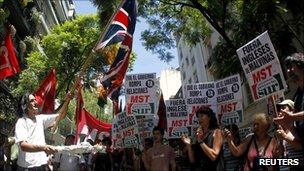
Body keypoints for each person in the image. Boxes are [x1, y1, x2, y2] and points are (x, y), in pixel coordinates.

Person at [14, 92, 72, 170]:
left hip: (43, 165)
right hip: (27, 167)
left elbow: (61, 116)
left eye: (35, 100)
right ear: (25, 105)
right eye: (32, 101)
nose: (36, 102)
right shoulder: (21, 122)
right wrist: (44, 147)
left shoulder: (40, 119)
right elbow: (23, 146)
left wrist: (67, 100)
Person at [274, 53, 304, 148]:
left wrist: (292, 116)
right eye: (287, 68)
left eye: (291, 67)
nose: (288, 71)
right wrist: (287, 124)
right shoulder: (297, 97)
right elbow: (299, 139)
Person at [181, 106, 223, 170]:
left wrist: (200, 141)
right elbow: (192, 160)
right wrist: (189, 145)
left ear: (209, 117)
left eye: (202, 116)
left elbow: (214, 156)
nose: (199, 119)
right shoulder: (198, 135)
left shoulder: (217, 132)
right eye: (198, 117)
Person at [275, 99, 304, 171]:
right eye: (278, 109)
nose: (280, 111)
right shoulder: (281, 131)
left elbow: (301, 147)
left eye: (283, 108)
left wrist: (285, 137)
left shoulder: (298, 126)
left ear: (292, 111)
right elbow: (281, 154)